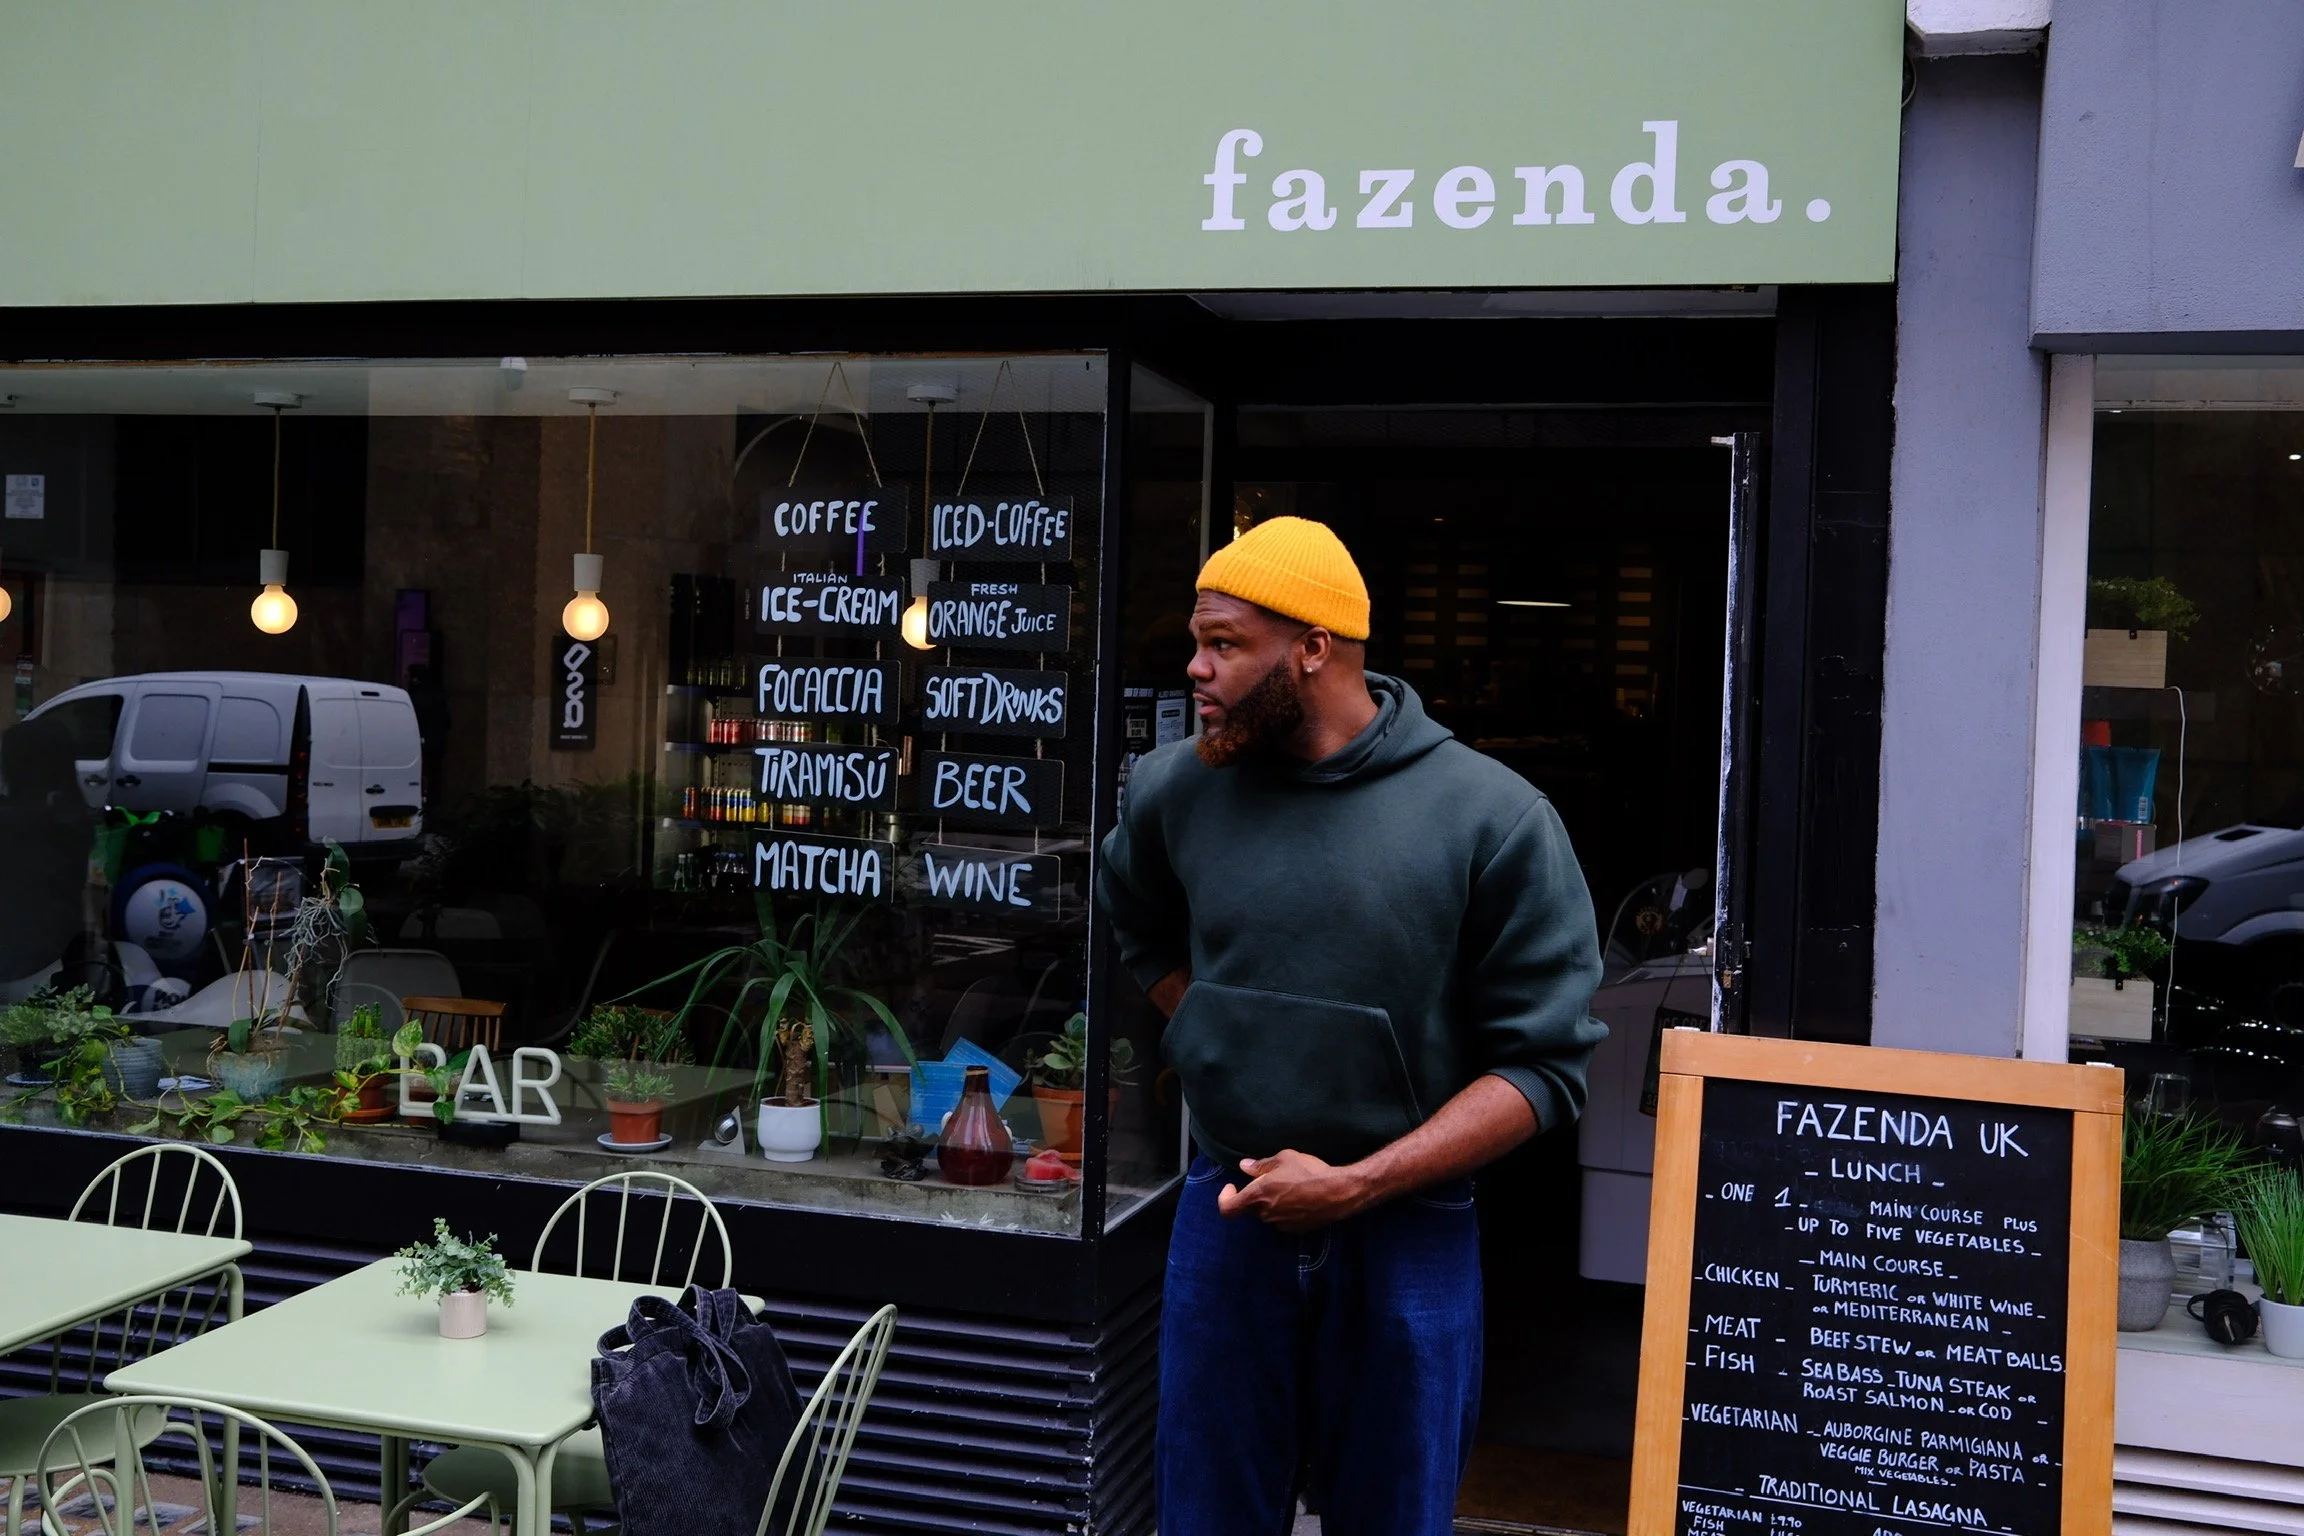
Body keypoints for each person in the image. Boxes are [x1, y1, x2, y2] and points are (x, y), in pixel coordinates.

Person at [1096, 517, 1605, 1536]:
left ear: (1314, 650)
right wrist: (1220, 1029)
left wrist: (1359, 1183)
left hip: (1408, 1227)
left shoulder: (1489, 817)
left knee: (1391, 1517)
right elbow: (1138, 929)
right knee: (1205, 1516)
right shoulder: (1172, 791)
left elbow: (1545, 1066)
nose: (1195, 669)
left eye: (1226, 645)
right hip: (1230, 1205)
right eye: (1199, 643)